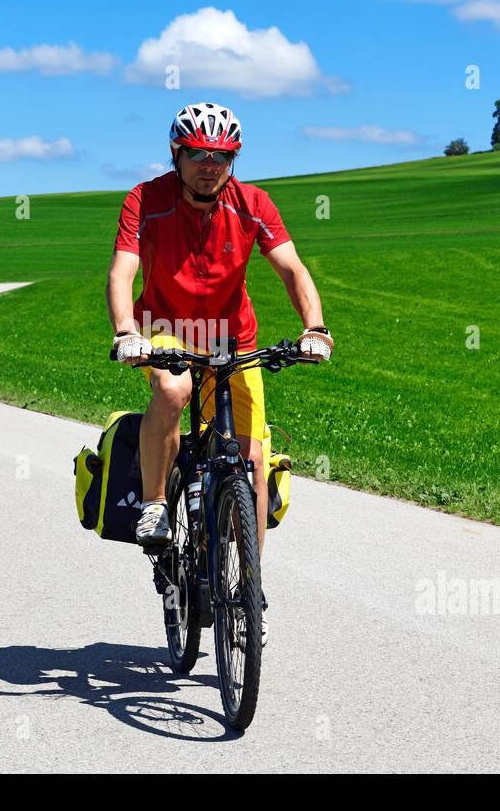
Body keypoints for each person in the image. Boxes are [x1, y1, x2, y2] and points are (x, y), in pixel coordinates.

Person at [107, 102, 333, 643]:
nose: (211, 165)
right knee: (173, 386)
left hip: (235, 338)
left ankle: (249, 591)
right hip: (164, 328)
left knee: (253, 460)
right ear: (177, 155)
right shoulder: (145, 199)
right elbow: (123, 269)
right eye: (200, 155)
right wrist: (125, 332)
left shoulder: (252, 203)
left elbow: (291, 267)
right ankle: (159, 505)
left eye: (223, 156)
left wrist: (315, 328)